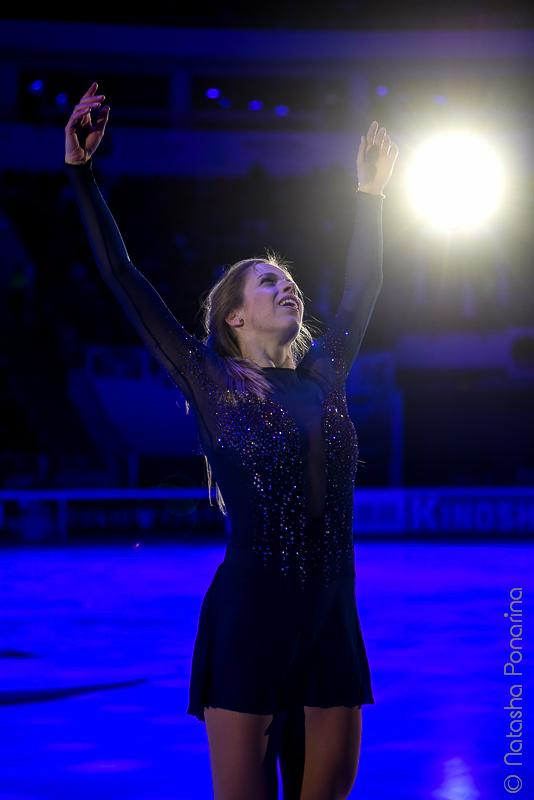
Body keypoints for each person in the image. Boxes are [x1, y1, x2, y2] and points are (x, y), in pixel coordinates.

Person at [64, 81, 399, 800]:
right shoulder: (207, 378)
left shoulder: (326, 373)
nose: (289, 289)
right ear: (234, 317)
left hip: (334, 618)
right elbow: (123, 276)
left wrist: (371, 196)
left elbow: (366, 281)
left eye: (290, 281)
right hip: (249, 620)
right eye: (268, 281)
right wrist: (82, 175)